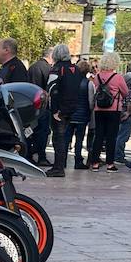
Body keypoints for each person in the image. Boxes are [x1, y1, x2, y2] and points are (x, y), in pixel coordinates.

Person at [46, 45, 90, 176]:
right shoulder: (75, 69)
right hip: (72, 109)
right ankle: (60, 166)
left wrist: (54, 110)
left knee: (58, 138)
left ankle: (58, 167)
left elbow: (51, 90)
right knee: (64, 137)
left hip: (59, 109)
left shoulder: (57, 69)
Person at [88, 51, 128, 171]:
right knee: (111, 136)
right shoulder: (118, 77)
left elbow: (96, 89)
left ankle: (95, 162)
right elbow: (125, 92)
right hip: (114, 109)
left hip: (99, 108)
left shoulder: (97, 77)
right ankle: (110, 163)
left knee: (99, 135)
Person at [27, 45, 54, 164]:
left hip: (30, 104)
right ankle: (41, 156)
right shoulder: (48, 69)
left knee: (30, 131)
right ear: (51, 56)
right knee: (43, 132)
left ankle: (28, 154)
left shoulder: (33, 67)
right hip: (43, 105)